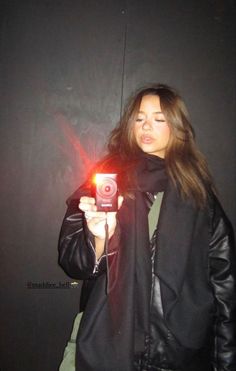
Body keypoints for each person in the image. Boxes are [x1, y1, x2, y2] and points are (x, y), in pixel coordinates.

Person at [58, 84, 236, 371]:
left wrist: (225, 361)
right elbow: (74, 263)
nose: (146, 127)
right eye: (139, 118)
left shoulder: (197, 193)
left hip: (176, 352)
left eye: (159, 118)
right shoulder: (106, 181)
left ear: (176, 127)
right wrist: (99, 237)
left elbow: (224, 284)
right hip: (108, 343)